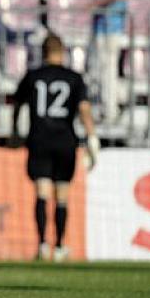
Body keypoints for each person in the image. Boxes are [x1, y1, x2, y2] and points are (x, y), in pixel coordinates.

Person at [12, 32, 99, 262]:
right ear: (63, 52)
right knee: (62, 193)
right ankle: (59, 246)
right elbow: (84, 109)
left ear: (43, 53)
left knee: (41, 191)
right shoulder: (74, 78)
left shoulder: (33, 76)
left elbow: (17, 105)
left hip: (39, 138)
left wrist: (15, 131)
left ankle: (42, 244)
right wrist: (92, 137)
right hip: (65, 141)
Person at [90, 0, 130, 123]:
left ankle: (111, 109)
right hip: (102, 24)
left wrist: (98, 2)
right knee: (101, 67)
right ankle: (105, 107)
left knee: (108, 68)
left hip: (111, 25)